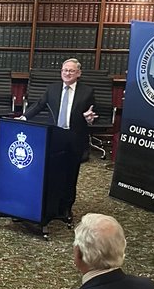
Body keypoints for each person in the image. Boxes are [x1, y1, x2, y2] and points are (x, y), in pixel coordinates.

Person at [20, 58, 98, 226]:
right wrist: (24, 117)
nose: (67, 73)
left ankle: (66, 208)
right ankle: (50, 206)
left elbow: (94, 114)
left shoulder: (87, 91)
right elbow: (39, 105)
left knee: (70, 175)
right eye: (65, 70)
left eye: (71, 71)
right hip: (54, 137)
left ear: (78, 73)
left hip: (74, 137)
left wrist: (89, 119)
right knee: (52, 172)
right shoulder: (52, 89)